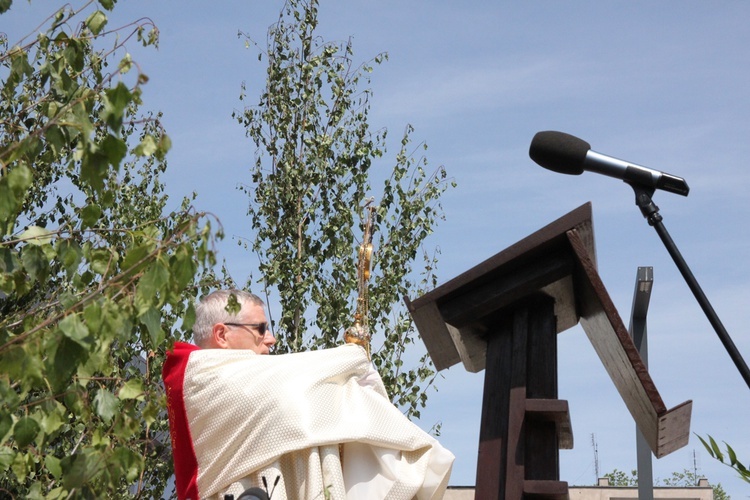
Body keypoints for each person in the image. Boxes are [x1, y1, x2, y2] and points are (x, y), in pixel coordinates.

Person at [163, 290, 454, 500]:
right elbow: (301, 375)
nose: (271, 339)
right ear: (222, 335)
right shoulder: (203, 379)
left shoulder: (269, 384)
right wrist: (352, 357)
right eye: (260, 328)